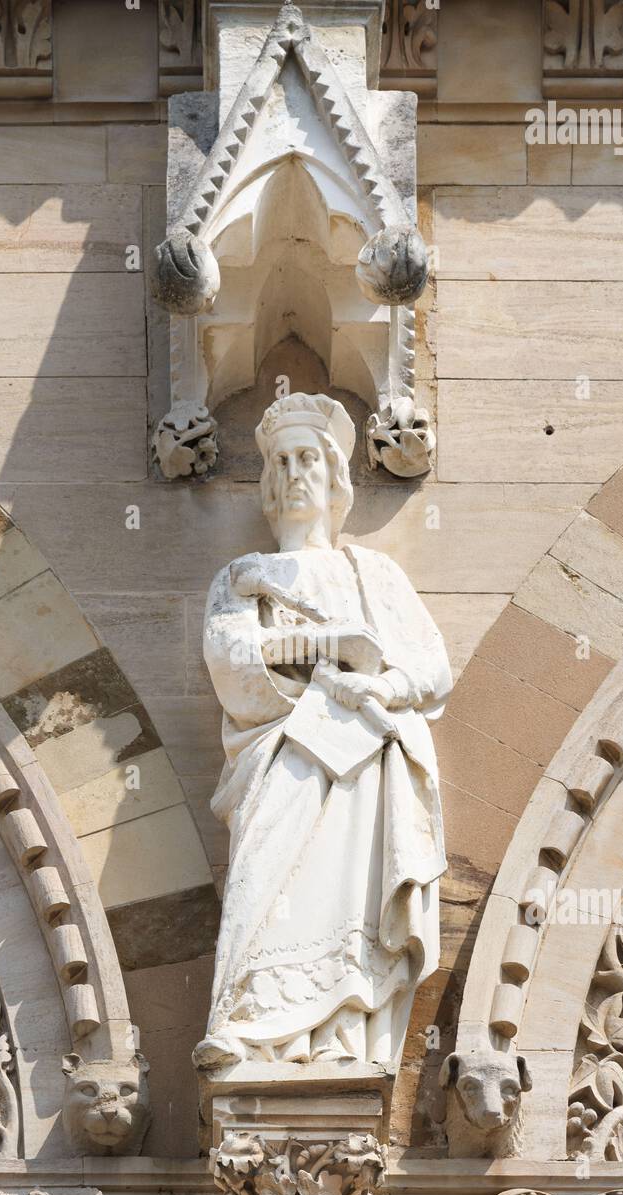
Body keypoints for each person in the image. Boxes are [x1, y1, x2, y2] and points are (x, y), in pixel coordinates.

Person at [193, 392, 452, 1070]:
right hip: (281, 755)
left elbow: (430, 665)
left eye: (311, 458)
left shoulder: (371, 573)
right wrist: (325, 648)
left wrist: (380, 686)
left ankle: (342, 1035)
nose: (298, 471)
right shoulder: (240, 579)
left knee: (344, 899)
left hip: (363, 758)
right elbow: (234, 667)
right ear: (270, 483)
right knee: (264, 879)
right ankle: (249, 1019)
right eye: (284, 461)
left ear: (334, 474)